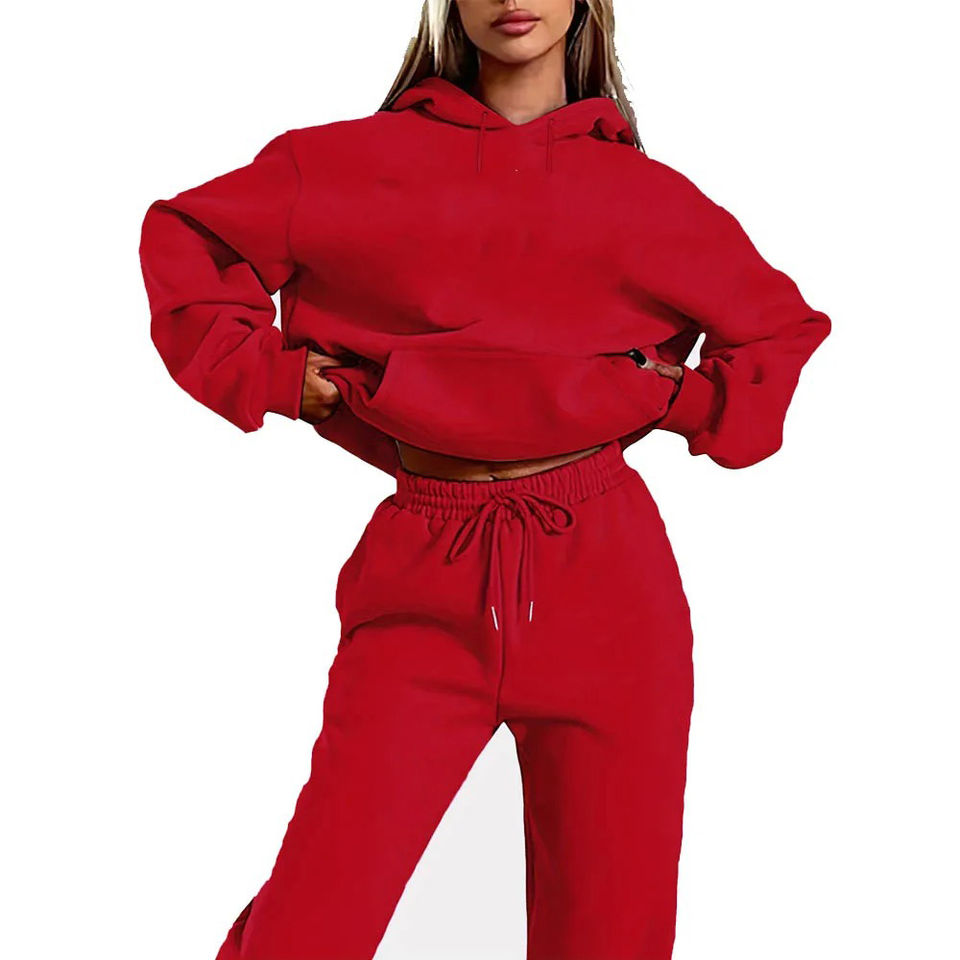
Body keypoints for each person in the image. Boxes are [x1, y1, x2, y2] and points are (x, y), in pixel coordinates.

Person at [138, 1, 831, 957]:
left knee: (611, 936)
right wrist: (265, 375)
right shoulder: (342, 165)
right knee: (312, 924)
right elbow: (189, 235)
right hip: (424, 567)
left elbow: (779, 329)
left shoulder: (645, 196)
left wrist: (682, 400)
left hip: (607, 578)